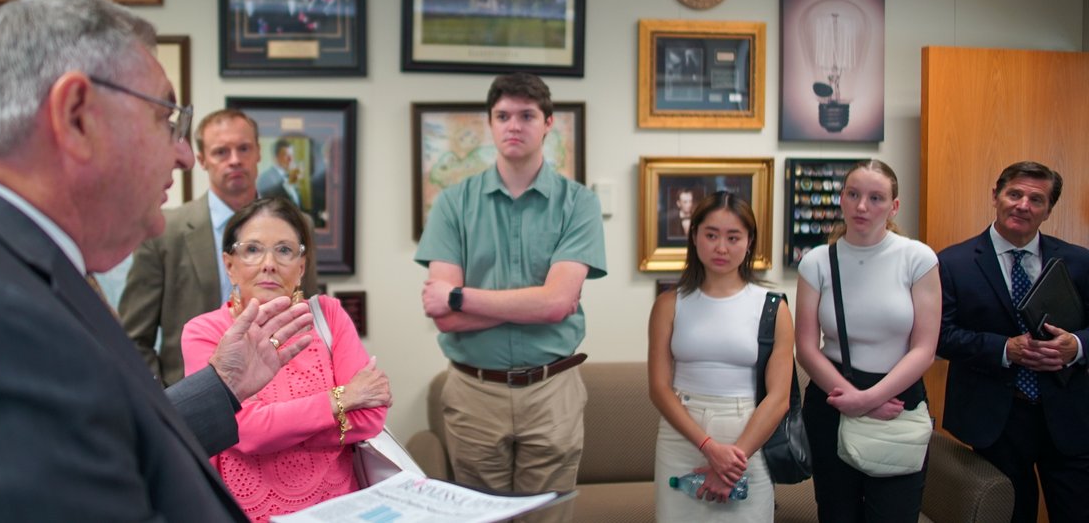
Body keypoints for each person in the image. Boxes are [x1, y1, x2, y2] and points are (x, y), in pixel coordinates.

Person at [0, 0, 315, 520]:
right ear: (76, 117)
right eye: (167, 119)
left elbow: (97, 436)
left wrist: (222, 386)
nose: (184, 155)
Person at [416, 72, 607, 522]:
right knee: (481, 519)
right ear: (490, 123)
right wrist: (536, 305)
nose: (513, 125)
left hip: (551, 391)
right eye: (503, 116)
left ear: (548, 123)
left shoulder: (579, 204)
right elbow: (445, 318)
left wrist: (459, 296)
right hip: (474, 393)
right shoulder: (452, 203)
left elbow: (556, 304)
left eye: (527, 115)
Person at [183, 197, 390, 521]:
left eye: (284, 250)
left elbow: (370, 416)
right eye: (253, 249)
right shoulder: (205, 332)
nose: (269, 263)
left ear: (301, 266)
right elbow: (242, 431)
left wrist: (273, 429)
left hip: (337, 511)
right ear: (230, 264)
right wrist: (341, 399)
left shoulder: (329, 316)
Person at [120, 110, 321, 387]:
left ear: (258, 152)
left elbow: (307, 309)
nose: (235, 159)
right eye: (221, 152)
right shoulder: (164, 232)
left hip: (286, 392)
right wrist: (164, 399)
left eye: (243, 148)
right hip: (189, 396)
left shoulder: (299, 226)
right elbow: (133, 339)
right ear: (202, 159)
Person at [937, 161, 1089, 523]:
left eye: (1036, 199)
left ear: (1049, 210)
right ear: (995, 196)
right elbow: (939, 336)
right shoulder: (952, 263)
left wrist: (1077, 346)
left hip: (1069, 418)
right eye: (1014, 194)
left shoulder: (1079, 262)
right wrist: (1005, 349)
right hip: (995, 421)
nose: (1023, 205)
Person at [794, 159, 941, 521]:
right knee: (836, 513)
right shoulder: (817, 262)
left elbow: (925, 350)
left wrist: (868, 400)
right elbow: (807, 348)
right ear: (841, 199)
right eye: (853, 194)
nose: (862, 206)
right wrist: (854, 400)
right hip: (832, 398)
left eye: (876, 198)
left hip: (897, 399)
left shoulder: (917, 258)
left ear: (894, 206)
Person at [649, 191, 793, 522]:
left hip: (748, 438)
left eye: (733, 237)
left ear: (749, 241)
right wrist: (709, 448)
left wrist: (733, 458)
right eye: (711, 235)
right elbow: (658, 388)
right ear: (694, 236)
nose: (721, 248)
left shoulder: (773, 307)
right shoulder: (669, 304)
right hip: (683, 437)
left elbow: (779, 398)